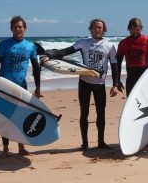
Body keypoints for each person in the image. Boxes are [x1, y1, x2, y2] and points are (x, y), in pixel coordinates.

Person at [44, 18, 120, 151]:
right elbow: (65, 52)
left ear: (104, 30)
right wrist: (50, 56)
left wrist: (115, 84)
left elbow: (114, 66)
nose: (97, 30)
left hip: (100, 84)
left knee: (100, 113)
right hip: (84, 82)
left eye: (100, 28)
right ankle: (84, 144)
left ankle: (101, 142)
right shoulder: (83, 43)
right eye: (95, 27)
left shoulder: (109, 46)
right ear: (90, 29)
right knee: (84, 112)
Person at [0, 16, 41, 159]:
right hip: (4, 86)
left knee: (21, 116)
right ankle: (5, 148)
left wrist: (38, 87)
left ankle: (21, 147)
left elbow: (36, 68)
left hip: (21, 87)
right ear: (11, 29)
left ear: (25, 28)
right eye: (15, 27)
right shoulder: (3, 45)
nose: (18, 29)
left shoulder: (30, 46)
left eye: (20, 27)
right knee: (4, 117)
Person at [116, 17, 148, 146]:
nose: (135, 29)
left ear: (141, 28)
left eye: (138, 27)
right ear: (129, 28)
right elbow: (117, 62)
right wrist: (116, 80)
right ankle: (136, 135)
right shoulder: (123, 43)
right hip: (131, 78)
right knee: (133, 107)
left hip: (146, 79)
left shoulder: (147, 40)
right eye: (133, 27)